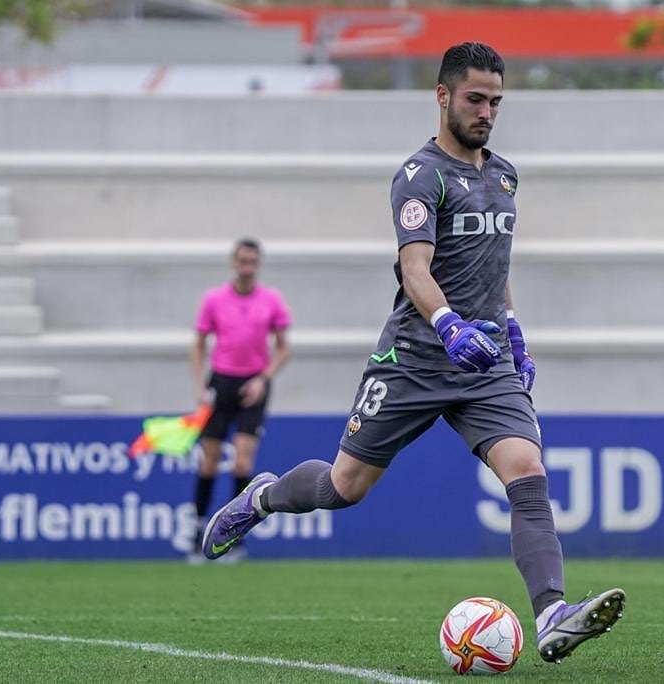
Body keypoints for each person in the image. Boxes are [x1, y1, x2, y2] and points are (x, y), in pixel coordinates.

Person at [202, 43, 624, 662]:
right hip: (417, 359)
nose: (486, 112)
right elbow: (416, 268)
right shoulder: (418, 175)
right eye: (475, 99)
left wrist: (511, 331)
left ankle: (553, 613)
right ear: (443, 96)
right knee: (344, 487)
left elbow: (490, 264)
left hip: (483, 363)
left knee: (527, 473)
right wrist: (450, 324)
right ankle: (263, 496)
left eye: (495, 102)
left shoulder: (505, 175)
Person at [189, 238, 291, 562]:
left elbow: (283, 347)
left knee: (243, 462)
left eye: (252, 262)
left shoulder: (271, 300)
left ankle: (233, 532)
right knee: (208, 459)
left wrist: (263, 378)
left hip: (254, 384)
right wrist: (199, 387)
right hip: (221, 381)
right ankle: (197, 529)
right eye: (242, 261)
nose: (246, 267)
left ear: (257, 265)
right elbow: (199, 344)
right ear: (234, 263)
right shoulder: (214, 299)